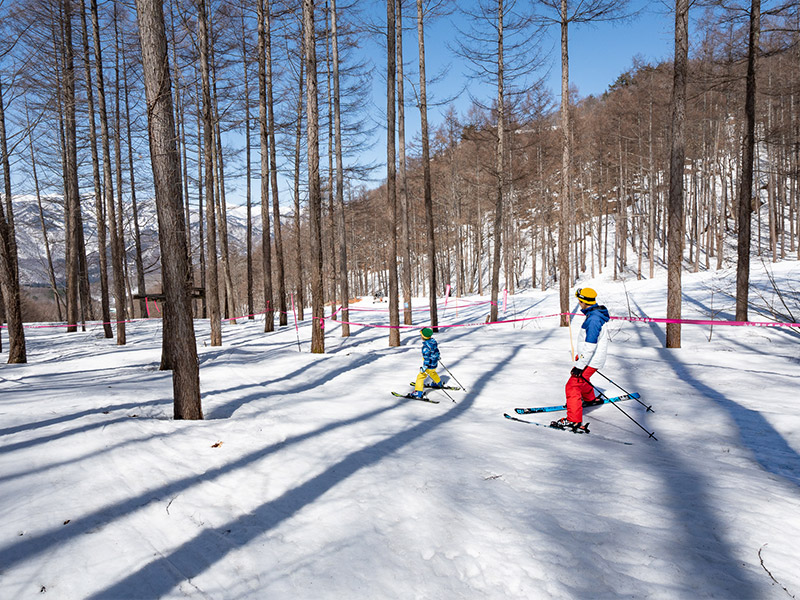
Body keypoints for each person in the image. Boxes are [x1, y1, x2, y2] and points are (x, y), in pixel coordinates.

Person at [551, 287, 610, 432]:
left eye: (579, 300)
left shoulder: (594, 319)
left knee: (572, 386)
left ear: (582, 301)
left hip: (591, 360)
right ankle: (590, 398)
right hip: (589, 358)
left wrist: (580, 365)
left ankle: (573, 421)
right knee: (582, 379)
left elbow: (590, 346)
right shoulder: (594, 314)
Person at [412, 327, 443, 398]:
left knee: (420, 377)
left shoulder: (425, 347)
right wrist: (437, 357)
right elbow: (437, 351)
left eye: (421, 335)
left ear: (423, 337)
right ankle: (438, 383)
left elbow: (427, 358)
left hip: (428, 365)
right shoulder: (433, 342)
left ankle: (418, 392)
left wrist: (424, 367)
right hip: (434, 363)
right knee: (432, 373)